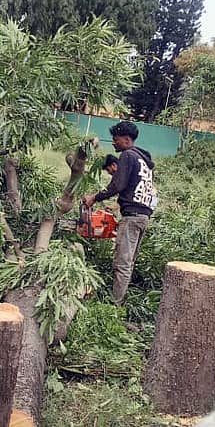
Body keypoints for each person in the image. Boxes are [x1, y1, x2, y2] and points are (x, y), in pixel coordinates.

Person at [84, 121, 157, 306]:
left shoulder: (127, 155)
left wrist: (95, 197)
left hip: (132, 217)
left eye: (116, 140)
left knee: (122, 263)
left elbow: (118, 185)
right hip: (144, 216)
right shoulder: (143, 160)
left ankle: (115, 305)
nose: (114, 144)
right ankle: (120, 300)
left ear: (126, 140)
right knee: (129, 262)